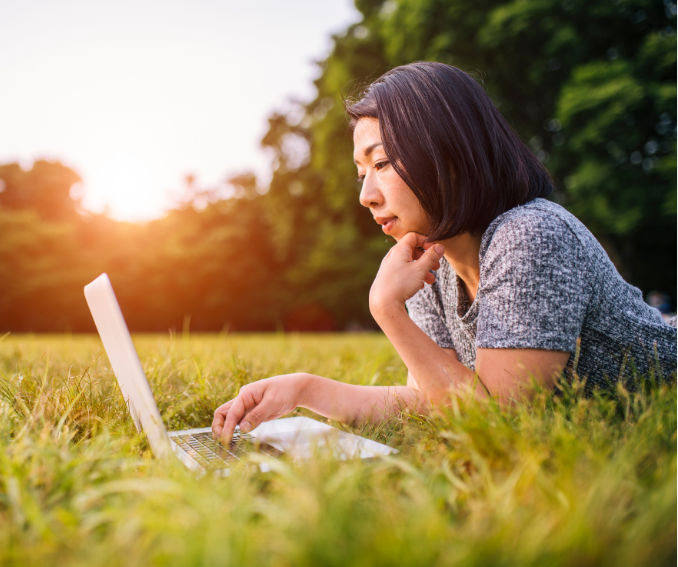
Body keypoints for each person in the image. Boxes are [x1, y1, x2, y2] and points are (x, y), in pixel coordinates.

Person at [212, 62, 678, 445]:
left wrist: (387, 310)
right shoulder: (429, 262)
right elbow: (437, 401)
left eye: (381, 163)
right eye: (361, 173)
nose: (366, 195)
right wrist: (306, 389)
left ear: (448, 154)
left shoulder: (530, 234)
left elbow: (499, 424)